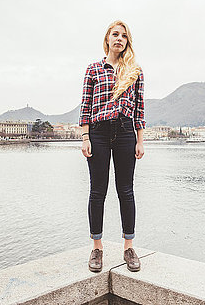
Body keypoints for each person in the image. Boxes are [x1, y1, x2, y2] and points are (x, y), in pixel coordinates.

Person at [79, 20, 145, 273]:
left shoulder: (134, 71)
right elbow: (86, 107)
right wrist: (85, 137)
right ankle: (97, 247)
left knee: (126, 191)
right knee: (98, 192)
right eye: (115, 34)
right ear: (107, 39)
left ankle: (128, 246)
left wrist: (140, 139)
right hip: (98, 133)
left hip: (126, 132)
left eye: (124, 36)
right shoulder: (94, 69)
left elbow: (139, 108)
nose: (119, 39)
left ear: (128, 42)